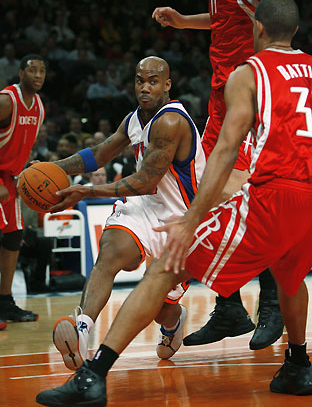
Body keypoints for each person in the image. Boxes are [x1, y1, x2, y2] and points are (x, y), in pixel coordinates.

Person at [37, 0, 312, 406]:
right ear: (293, 30)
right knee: (291, 278)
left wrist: (193, 217)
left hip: (268, 194)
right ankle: (297, 364)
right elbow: (107, 151)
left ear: (256, 28)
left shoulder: (248, 74)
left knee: (164, 270)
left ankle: (93, 377)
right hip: (307, 200)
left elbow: (224, 150)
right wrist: (59, 168)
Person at [152, 0, 286, 351]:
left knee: (249, 195)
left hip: (248, 95)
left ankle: (272, 305)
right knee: (207, 195)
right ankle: (229, 308)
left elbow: (278, 1)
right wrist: (184, 21)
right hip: (218, 95)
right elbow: (226, 18)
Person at [38, 56, 205, 371]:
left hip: (181, 220)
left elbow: (145, 181)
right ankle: (82, 330)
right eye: (140, 80)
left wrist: (85, 191)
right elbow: (99, 154)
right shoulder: (134, 119)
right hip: (145, 207)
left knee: (158, 308)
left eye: (153, 81)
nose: (144, 87)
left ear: (167, 85)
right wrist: (51, 169)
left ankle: (173, 321)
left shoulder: (171, 121)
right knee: (111, 253)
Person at [0, 54, 46, 331]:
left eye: (42, 71)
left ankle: (4, 301)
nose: (38, 74)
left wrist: (30, 167)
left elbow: (18, 146)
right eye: (32, 69)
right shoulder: (3, 101)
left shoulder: (38, 107)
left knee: (14, 237)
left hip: (10, 178)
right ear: (20, 73)